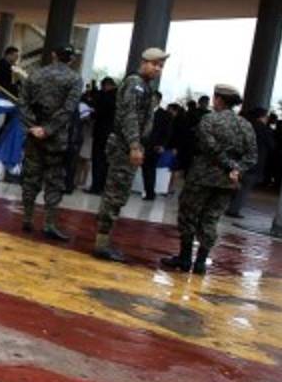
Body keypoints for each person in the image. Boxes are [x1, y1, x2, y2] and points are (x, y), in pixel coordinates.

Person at [162, 85, 256, 274]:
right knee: (211, 219)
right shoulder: (246, 125)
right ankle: (200, 262)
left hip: (202, 177)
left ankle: (185, 258)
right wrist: (236, 169)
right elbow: (252, 156)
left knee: (188, 215)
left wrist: (229, 165)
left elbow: (210, 147)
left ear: (218, 99)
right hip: (227, 182)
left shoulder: (209, 119)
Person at [92, 48, 169, 262]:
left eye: (161, 66)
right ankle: (101, 244)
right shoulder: (135, 84)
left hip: (129, 145)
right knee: (115, 193)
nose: (157, 69)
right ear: (143, 62)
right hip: (124, 146)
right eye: (154, 64)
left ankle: (104, 240)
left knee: (118, 193)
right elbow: (130, 117)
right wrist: (135, 146)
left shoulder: (144, 86)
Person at [17, 45, 82, 240]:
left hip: (33, 137)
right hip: (57, 139)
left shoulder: (35, 75)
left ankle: (27, 219)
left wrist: (33, 127)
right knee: (54, 182)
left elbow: (22, 103)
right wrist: (48, 130)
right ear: (71, 59)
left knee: (31, 178)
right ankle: (49, 224)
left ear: (54, 55)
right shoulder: (75, 79)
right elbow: (68, 109)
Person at [225, 108, 273, 217]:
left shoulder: (245, 126)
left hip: (240, 161)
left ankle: (226, 205)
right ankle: (233, 210)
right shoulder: (265, 130)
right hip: (255, 163)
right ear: (262, 117)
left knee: (234, 184)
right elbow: (271, 146)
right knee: (244, 188)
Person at [88, 77, 117, 193]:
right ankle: (103, 187)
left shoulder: (105, 97)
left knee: (97, 160)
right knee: (107, 162)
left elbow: (97, 112)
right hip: (112, 134)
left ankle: (96, 187)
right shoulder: (119, 97)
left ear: (106, 85)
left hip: (101, 133)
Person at [142, 93, 172, 200]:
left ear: (159, 100)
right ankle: (147, 191)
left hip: (155, 146)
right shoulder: (144, 112)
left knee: (150, 169)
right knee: (144, 169)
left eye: (153, 99)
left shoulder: (165, 115)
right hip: (142, 144)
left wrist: (162, 145)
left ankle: (150, 193)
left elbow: (167, 132)